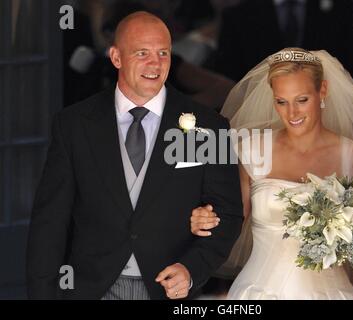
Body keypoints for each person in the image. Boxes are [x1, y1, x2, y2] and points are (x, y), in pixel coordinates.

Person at [26, 11, 243, 300]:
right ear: (116, 58)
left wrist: (191, 270)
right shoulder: (74, 125)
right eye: (142, 53)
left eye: (163, 53)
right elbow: (50, 222)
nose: (155, 63)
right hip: (91, 290)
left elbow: (227, 214)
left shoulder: (208, 126)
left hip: (168, 290)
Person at [190, 48, 353, 299]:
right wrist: (204, 218)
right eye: (281, 102)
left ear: (323, 91)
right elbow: (230, 219)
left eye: (302, 100)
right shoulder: (253, 151)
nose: (292, 113)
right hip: (258, 292)